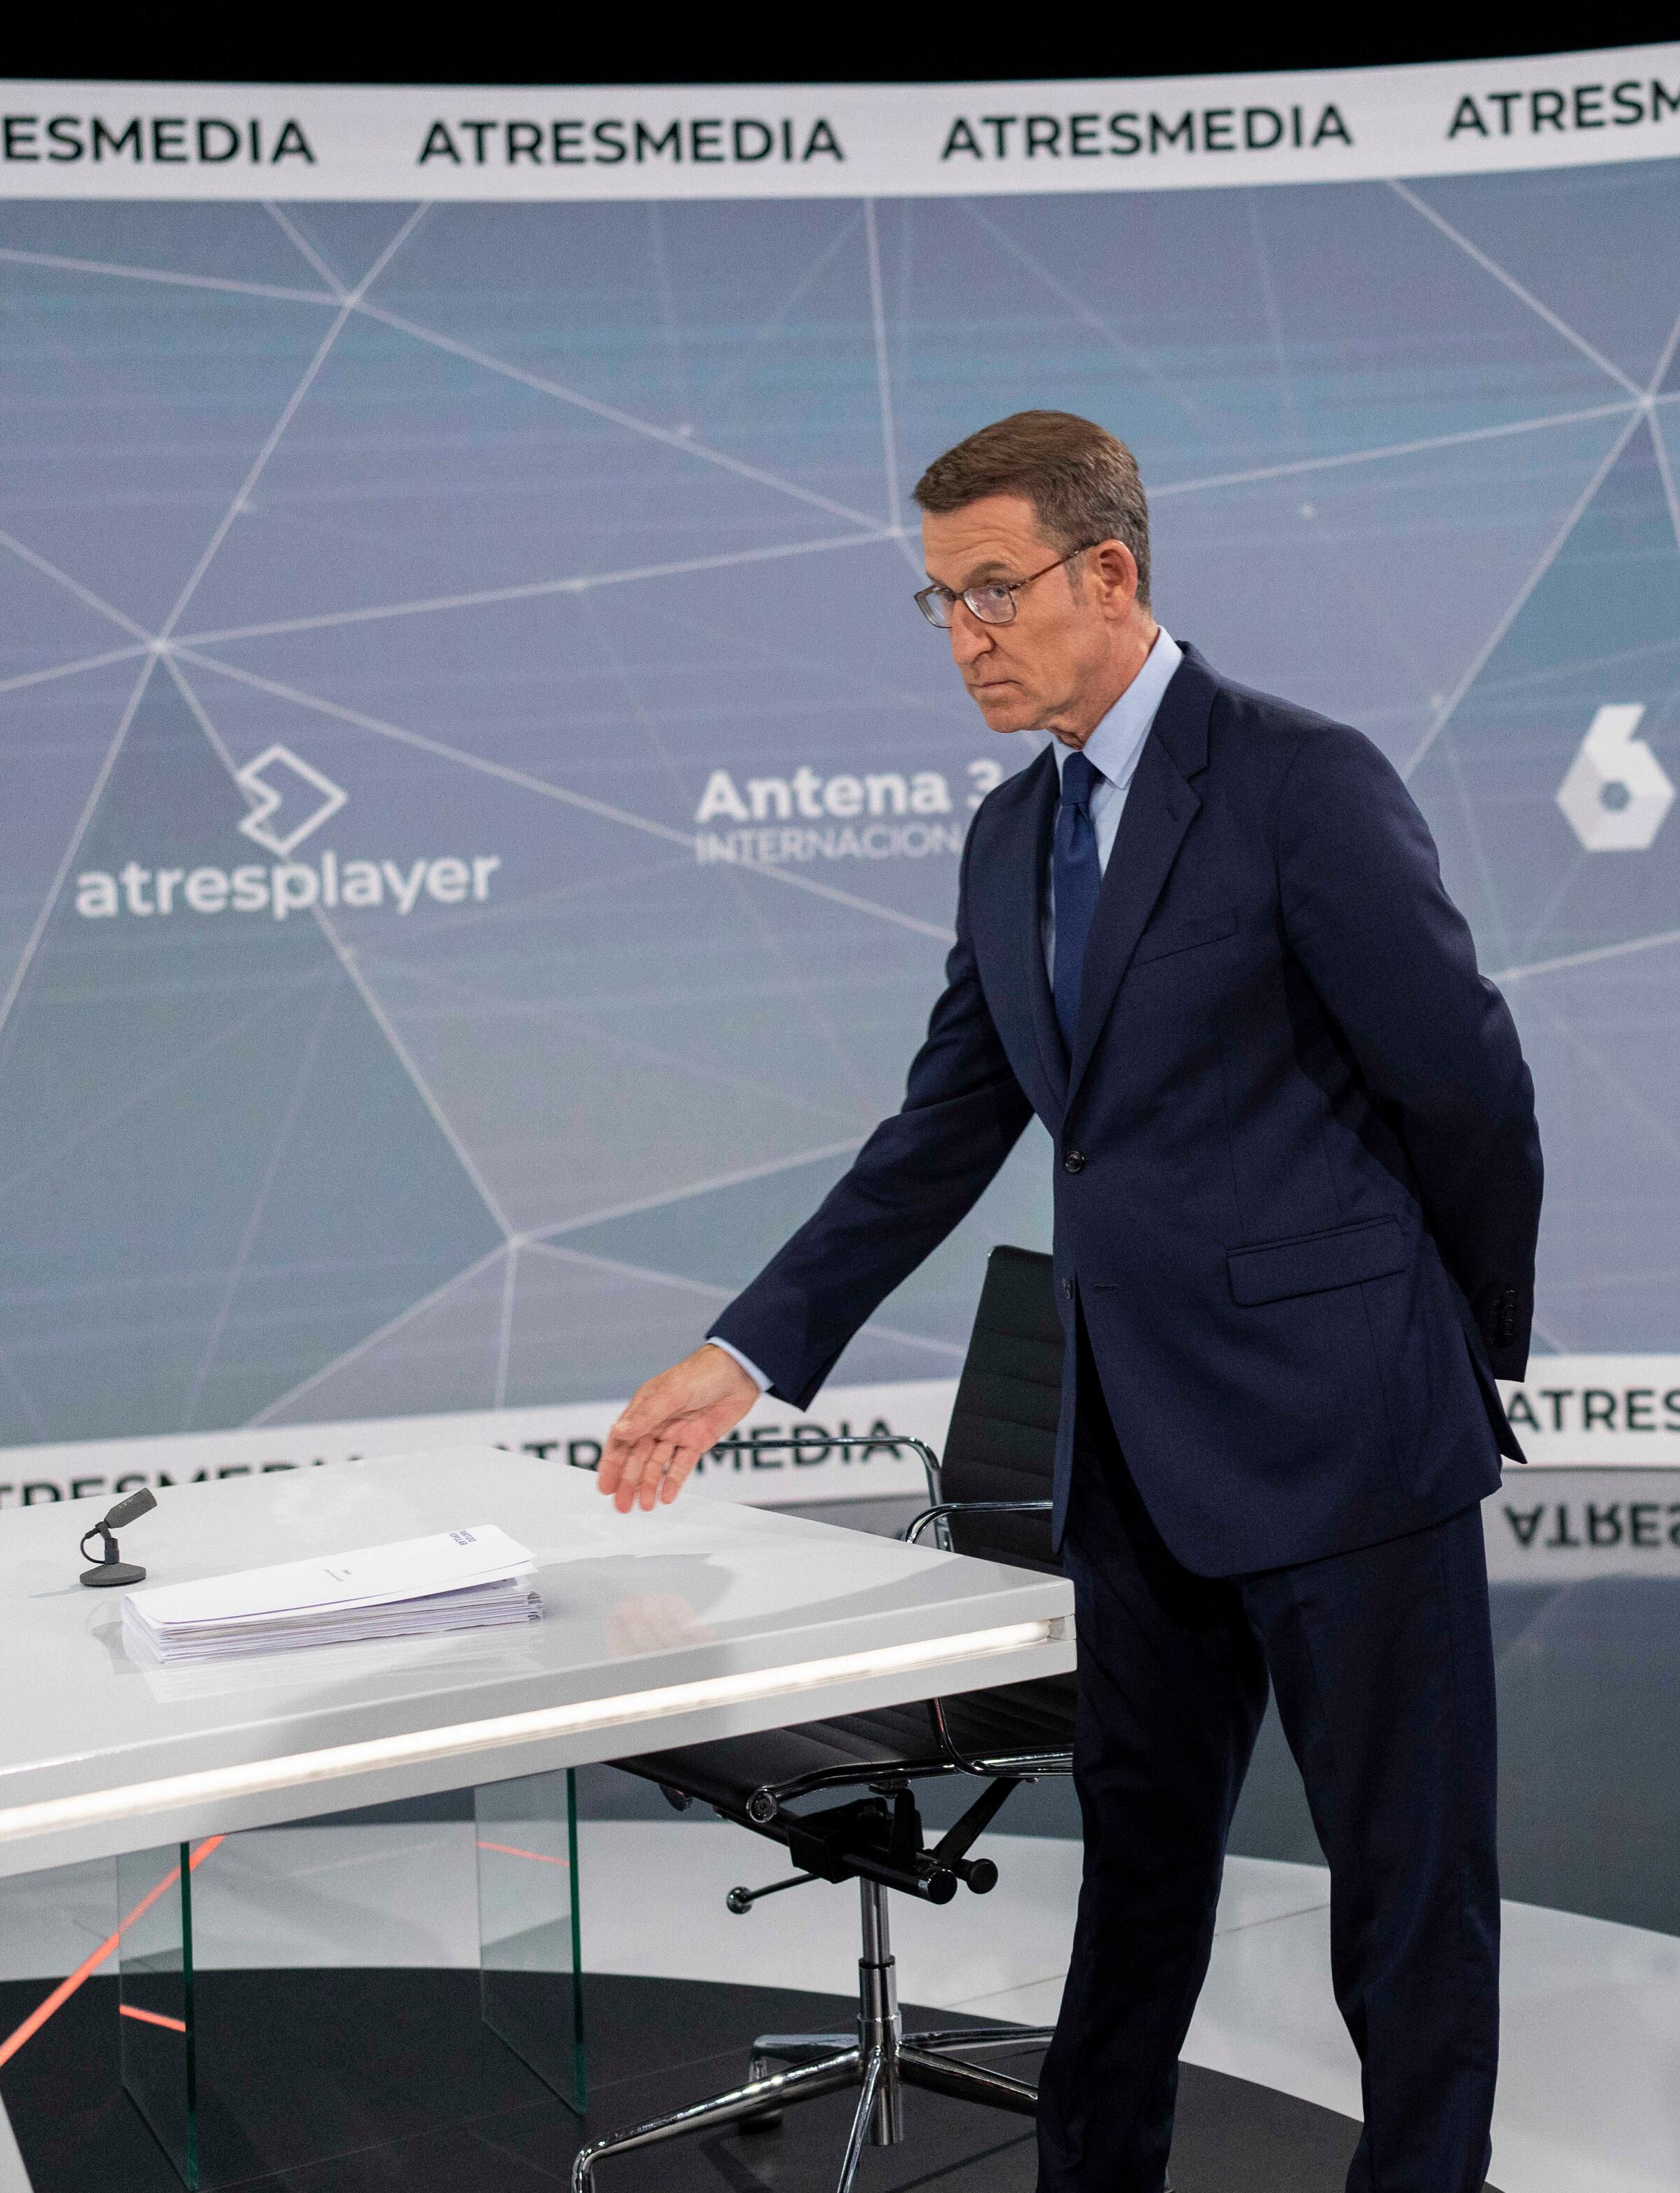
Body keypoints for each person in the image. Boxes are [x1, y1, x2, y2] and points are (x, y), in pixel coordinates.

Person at [594, 408, 1541, 2193]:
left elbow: (1468, 1088)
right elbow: (942, 1129)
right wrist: (745, 1351)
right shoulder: (1009, 844)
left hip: (1353, 1438)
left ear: (1110, 572)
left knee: (1409, 1912)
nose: (966, 634)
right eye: (940, 600)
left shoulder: (1298, 777)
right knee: (1134, 1889)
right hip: (1137, 1463)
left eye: (995, 590)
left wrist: (1462, 1342)